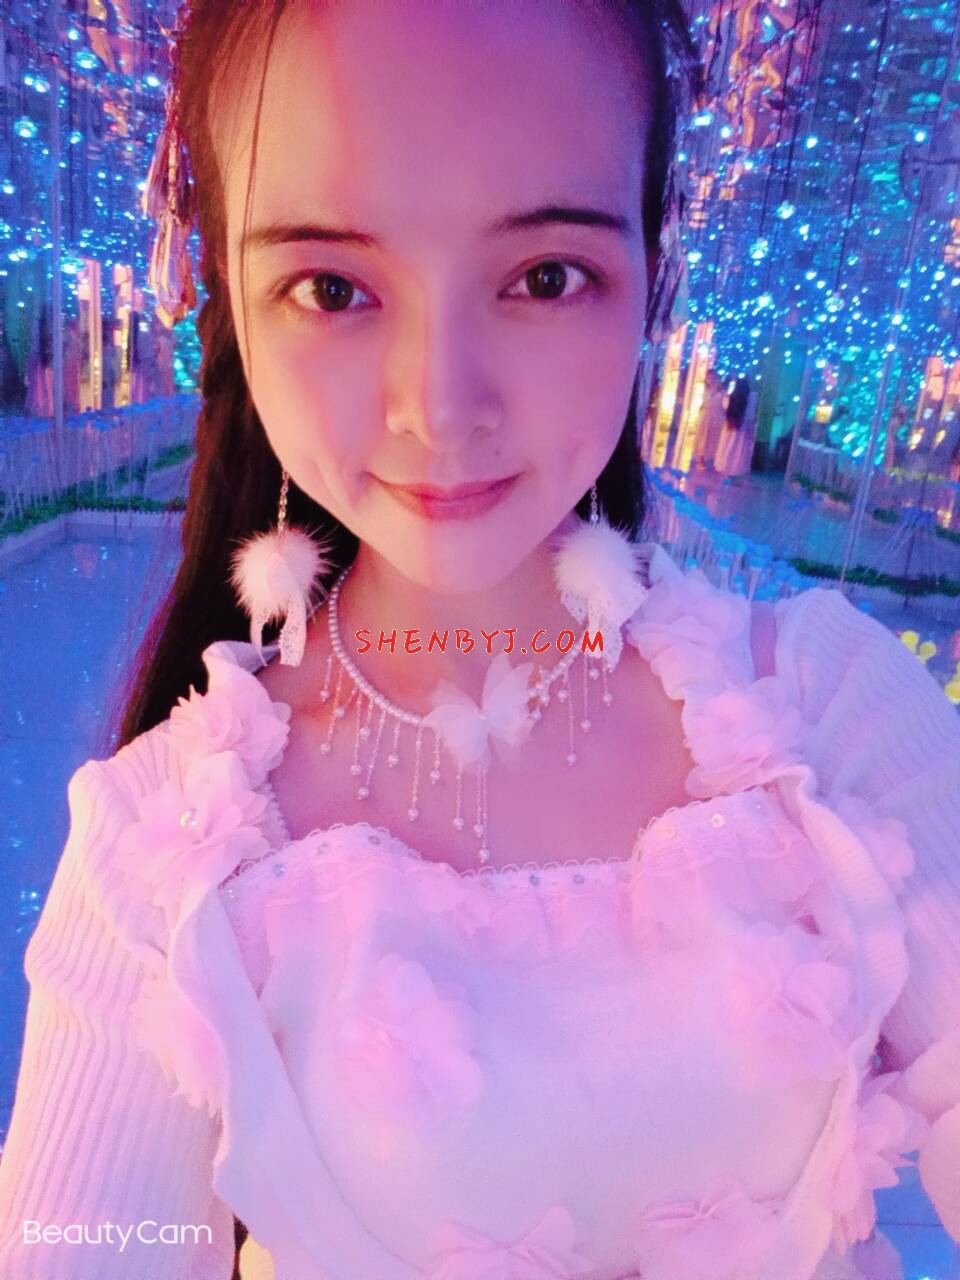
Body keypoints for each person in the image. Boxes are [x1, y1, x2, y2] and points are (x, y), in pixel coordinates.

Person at [1, 5, 959, 1280]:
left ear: (655, 271)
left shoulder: (825, 709)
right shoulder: (157, 851)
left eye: (545, 276)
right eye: (332, 288)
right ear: (230, 297)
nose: (441, 407)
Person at [715, 371, 757, 477]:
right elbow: (751, 414)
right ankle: (736, 470)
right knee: (739, 451)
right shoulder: (752, 397)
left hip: (731, 424)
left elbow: (724, 407)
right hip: (743, 427)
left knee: (727, 447)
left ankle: (724, 467)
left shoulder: (730, 397)